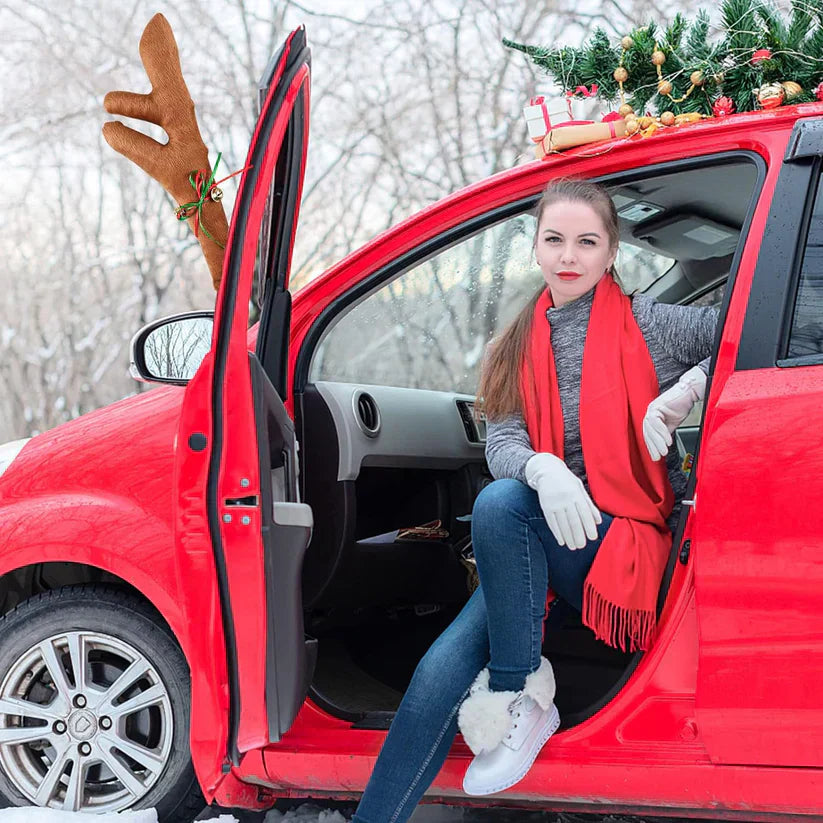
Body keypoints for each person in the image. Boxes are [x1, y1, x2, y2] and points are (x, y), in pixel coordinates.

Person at [351, 179, 718, 822]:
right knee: (436, 674)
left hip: (620, 539)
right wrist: (544, 468)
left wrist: (689, 387)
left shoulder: (653, 324)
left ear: (611, 253)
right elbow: (505, 443)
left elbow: (761, 330)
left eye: (587, 241)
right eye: (555, 239)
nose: (568, 255)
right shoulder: (514, 347)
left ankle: (519, 692)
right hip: (538, 536)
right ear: (536, 247)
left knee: (498, 505)